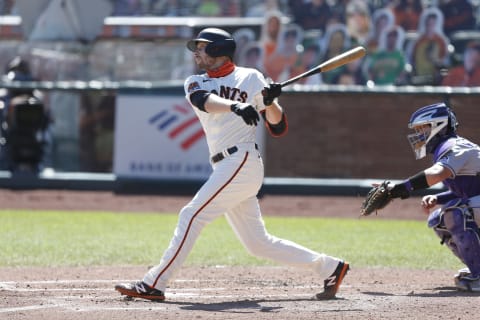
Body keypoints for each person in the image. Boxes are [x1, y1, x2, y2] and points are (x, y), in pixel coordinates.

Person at [115, 27, 349, 301]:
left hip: (242, 160)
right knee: (258, 244)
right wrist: (235, 106)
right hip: (227, 165)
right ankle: (330, 267)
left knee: (191, 215)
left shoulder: (251, 77)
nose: (197, 53)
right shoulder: (195, 81)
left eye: (202, 47)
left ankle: (154, 282)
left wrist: (271, 101)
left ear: (218, 49)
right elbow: (205, 102)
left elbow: (278, 126)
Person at [370, 102, 480, 292]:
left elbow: (437, 173)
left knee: (455, 213)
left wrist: (398, 189)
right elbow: (469, 189)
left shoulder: (454, 145)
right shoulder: (447, 148)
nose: (419, 134)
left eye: (422, 128)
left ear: (438, 126)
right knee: (438, 219)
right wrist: (439, 199)